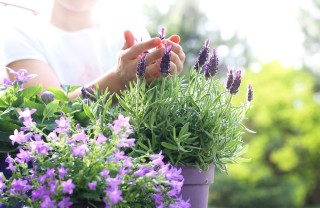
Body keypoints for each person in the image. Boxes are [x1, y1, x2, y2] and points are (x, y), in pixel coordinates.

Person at [2, 0, 185, 99]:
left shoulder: (129, 29)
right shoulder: (23, 35)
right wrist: (118, 81)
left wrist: (159, 77)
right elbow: (48, 113)